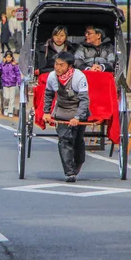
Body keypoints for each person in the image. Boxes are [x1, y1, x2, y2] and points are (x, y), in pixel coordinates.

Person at [43, 52, 90, 182]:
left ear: (69, 66)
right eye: (56, 64)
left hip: (78, 109)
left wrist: (78, 117)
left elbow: (84, 100)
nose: (57, 67)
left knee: (77, 140)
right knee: (64, 140)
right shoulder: (52, 77)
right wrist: (46, 112)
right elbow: (48, 95)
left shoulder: (79, 77)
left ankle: (78, 163)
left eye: (61, 65)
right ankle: (69, 172)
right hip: (62, 111)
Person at [0, 51, 22, 117]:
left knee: (12, 98)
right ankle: (6, 108)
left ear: (11, 57)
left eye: (10, 57)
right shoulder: (2, 64)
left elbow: (18, 74)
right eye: (7, 57)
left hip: (12, 83)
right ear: (5, 57)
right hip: (5, 83)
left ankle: (10, 111)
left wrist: (19, 82)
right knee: (6, 97)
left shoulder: (14, 65)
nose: (8, 59)